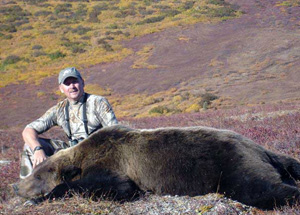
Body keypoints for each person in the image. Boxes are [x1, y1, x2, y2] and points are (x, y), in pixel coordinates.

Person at [20, 67, 118, 179]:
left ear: (82, 83)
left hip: (96, 153)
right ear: (61, 88)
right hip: (72, 152)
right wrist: (38, 149)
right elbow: (28, 130)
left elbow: (115, 132)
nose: (72, 86)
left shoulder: (98, 102)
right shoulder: (59, 109)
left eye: (75, 82)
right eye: (67, 83)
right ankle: (28, 188)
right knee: (29, 145)